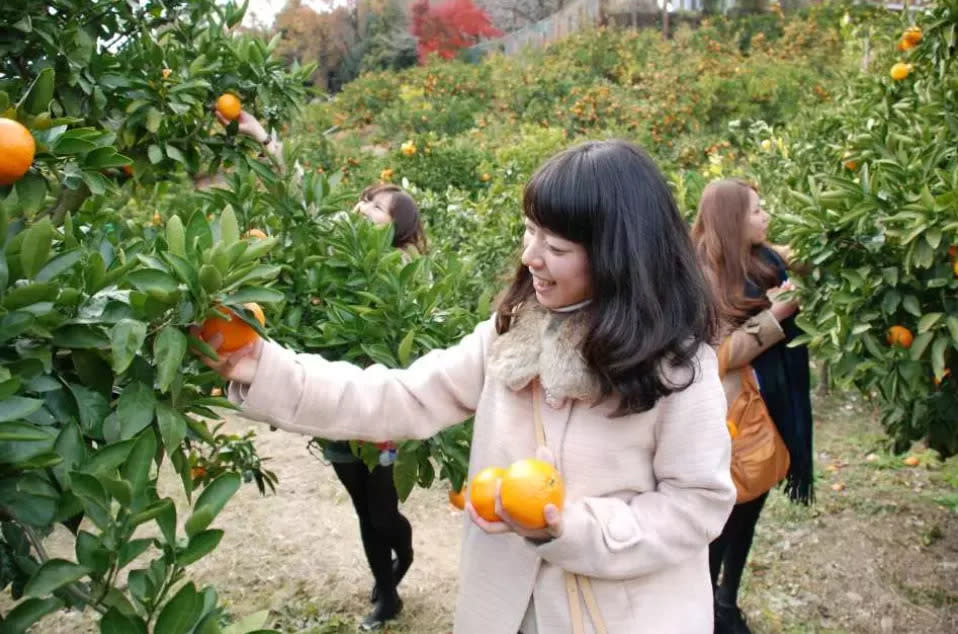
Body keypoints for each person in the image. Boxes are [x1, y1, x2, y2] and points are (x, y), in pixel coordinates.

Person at [195, 139, 737, 633]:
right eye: (530, 231)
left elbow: (697, 503)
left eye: (556, 245)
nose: (531, 256)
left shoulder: (677, 367)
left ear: (619, 253)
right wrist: (264, 367)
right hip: (503, 612)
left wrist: (569, 528)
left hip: (626, 617)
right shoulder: (509, 336)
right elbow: (398, 397)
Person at [691, 178, 814, 634]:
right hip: (729, 413)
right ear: (731, 221)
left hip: (767, 407)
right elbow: (720, 354)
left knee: (752, 502)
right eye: (756, 211)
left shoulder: (764, 258)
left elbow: (811, 253)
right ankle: (702, 609)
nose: (765, 217)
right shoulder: (702, 274)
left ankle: (726, 602)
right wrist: (777, 315)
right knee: (728, 510)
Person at [315, 183, 425, 630]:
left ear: (397, 227)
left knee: (383, 511)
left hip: (382, 412)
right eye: (363, 200)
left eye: (377, 207)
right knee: (363, 510)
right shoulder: (334, 260)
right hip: (338, 405)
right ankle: (388, 594)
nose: (363, 209)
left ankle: (407, 553)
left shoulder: (403, 268)